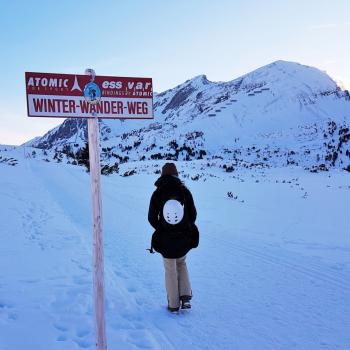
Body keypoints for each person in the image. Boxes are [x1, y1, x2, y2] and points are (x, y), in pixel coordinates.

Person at [148, 162, 198, 312]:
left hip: (166, 240)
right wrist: (185, 228)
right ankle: (185, 297)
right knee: (181, 263)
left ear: (162, 175)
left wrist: (162, 229)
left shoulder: (158, 193)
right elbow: (193, 214)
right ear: (176, 174)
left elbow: (151, 217)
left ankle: (174, 304)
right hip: (184, 239)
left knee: (170, 268)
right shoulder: (184, 191)